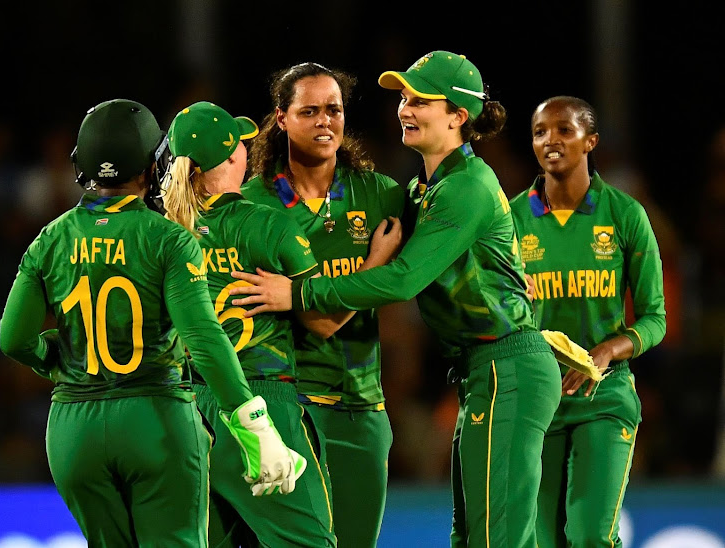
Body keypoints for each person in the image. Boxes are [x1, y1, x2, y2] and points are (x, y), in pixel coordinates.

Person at [230, 51, 563, 548]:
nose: (406, 108)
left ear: (458, 115)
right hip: (297, 400)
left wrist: (297, 292)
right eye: (404, 98)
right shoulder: (418, 192)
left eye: (421, 99)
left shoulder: (406, 192)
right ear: (279, 119)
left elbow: (403, 279)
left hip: (479, 372)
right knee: (477, 534)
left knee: (496, 536)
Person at [0, 99, 302, 547]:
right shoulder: (169, 239)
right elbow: (202, 338)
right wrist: (255, 423)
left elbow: (12, 339)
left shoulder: (50, 237)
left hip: (73, 428)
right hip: (155, 419)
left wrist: (53, 358)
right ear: (154, 163)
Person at [163, 100, 353, 547]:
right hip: (263, 401)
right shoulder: (271, 225)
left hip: (186, 413)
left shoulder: (166, 232)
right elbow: (324, 321)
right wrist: (383, 261)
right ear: (233, 158)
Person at [240, 62, 406, 547]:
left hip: (363, 408)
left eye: (333, 109)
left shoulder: (380, 195)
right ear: (281, 118)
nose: (324, 121)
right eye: (308, 110)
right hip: (289, 410)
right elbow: (322, 323)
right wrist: (373, 269)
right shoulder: (253, 205)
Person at [510, 95, 666, 547]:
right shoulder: (513, 219)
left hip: (605, 395)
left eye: (564, 130)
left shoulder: (624, 215)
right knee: (541, 540)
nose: (550, 141)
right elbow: (493, 308)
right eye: (540, 132)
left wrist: (608, 349)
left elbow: (656, 318)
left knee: (589, 536)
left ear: (590, 141)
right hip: (537, 400)